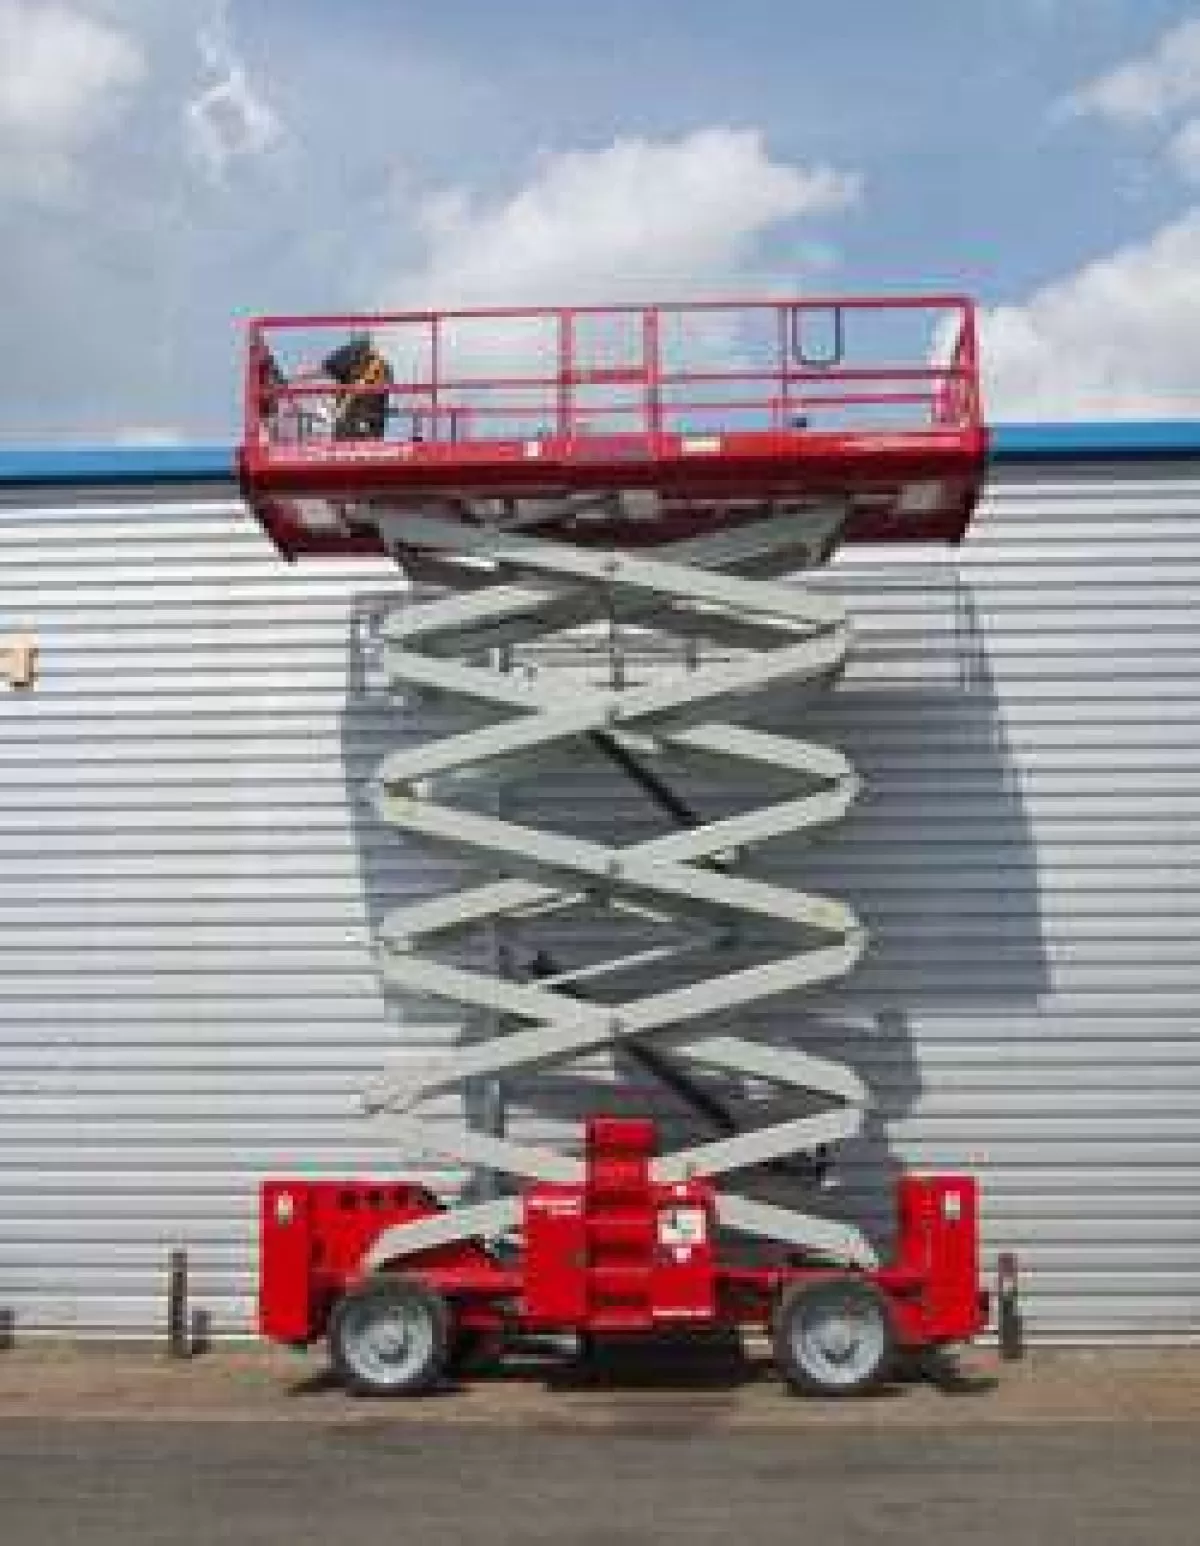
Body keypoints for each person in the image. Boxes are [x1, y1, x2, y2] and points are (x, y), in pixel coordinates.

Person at [321, 331, 393, 441]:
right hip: (354, 423)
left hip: (362, 423)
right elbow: (326, 369)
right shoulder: (350, 360)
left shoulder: (377, 366)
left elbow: (363, 388)